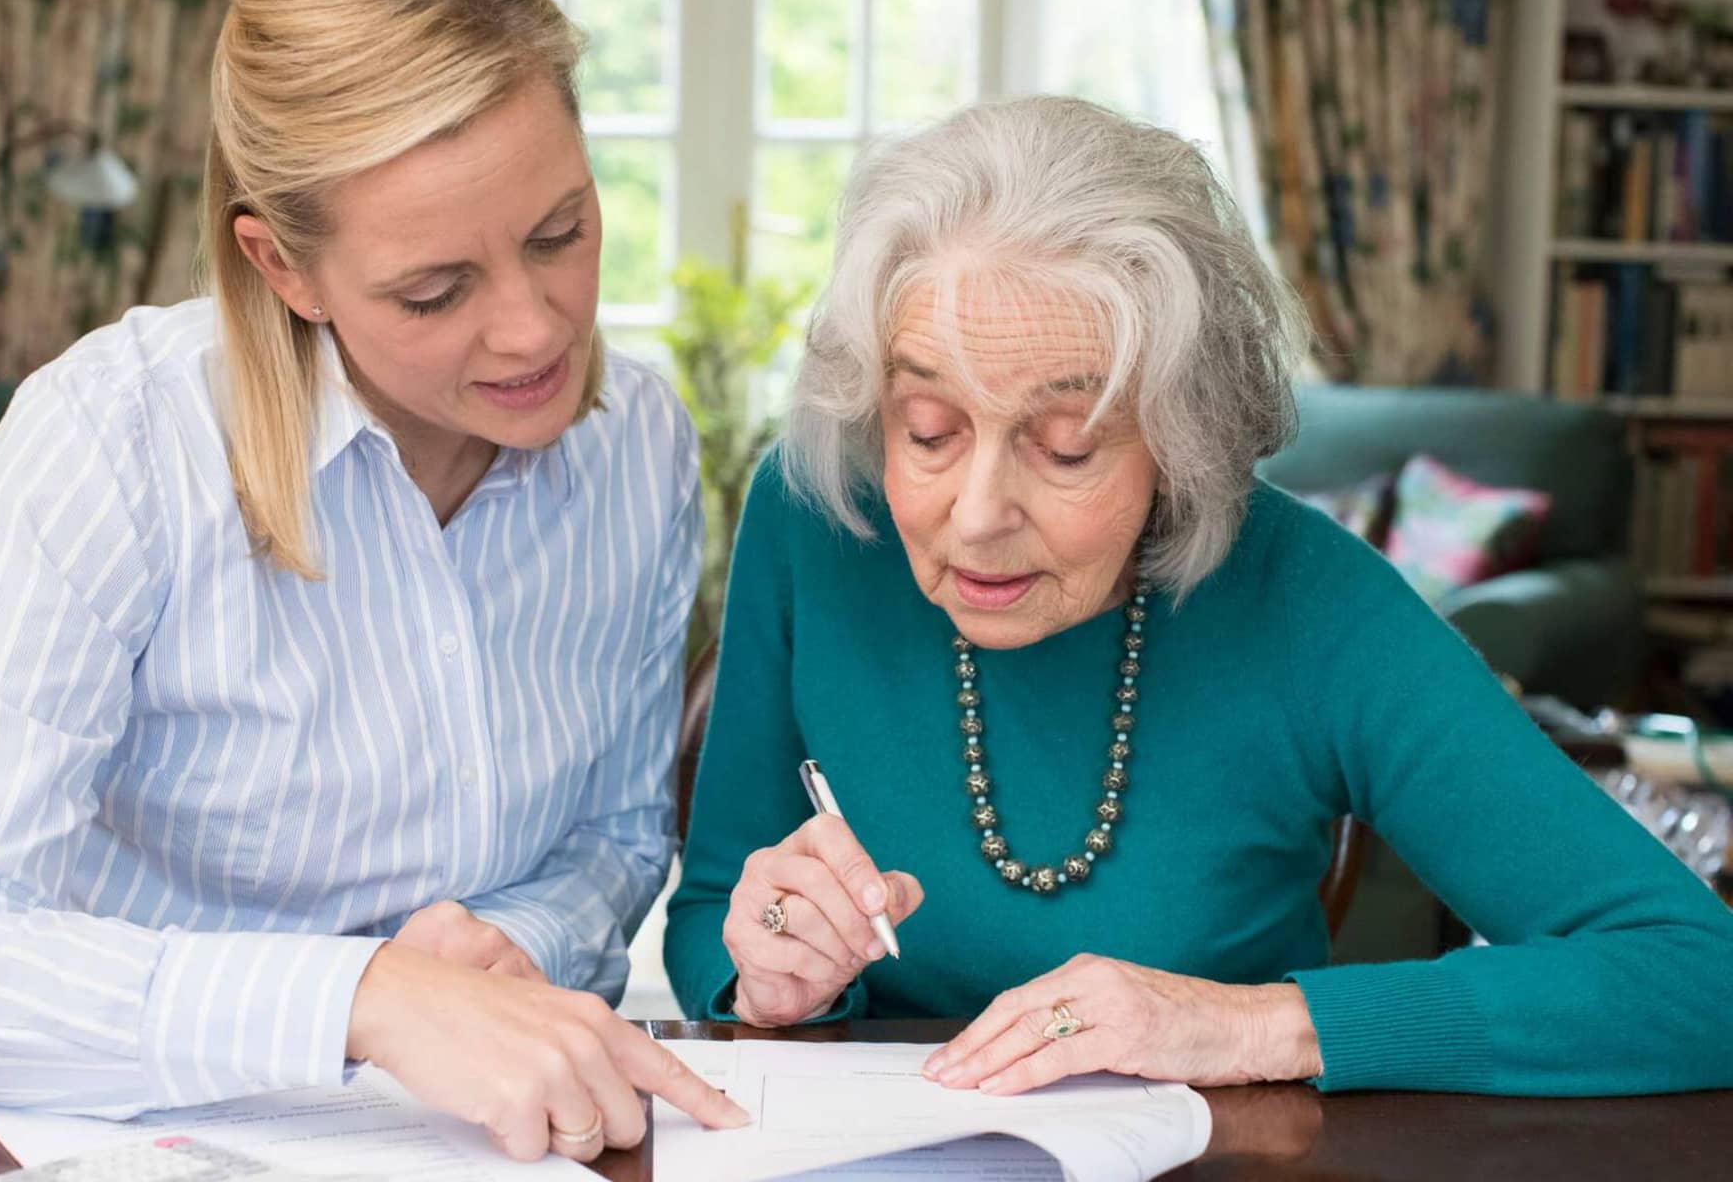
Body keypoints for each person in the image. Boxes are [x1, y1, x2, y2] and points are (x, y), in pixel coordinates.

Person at [0, 0, 746, 1161]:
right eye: (434, 290)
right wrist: (364, 997)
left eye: (561, 232)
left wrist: (510, 954)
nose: (536, 329)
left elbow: (612, 839)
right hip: (142, 1136)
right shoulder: (112, 443)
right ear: (283, 268)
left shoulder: (637, 444)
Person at [665, 94, 1733, 1097]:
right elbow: (714, 907)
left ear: (1183, 444)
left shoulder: (1306, 597)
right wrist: (768, 969)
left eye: (1067, 447)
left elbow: (1694, 977)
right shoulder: (816, 514)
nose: (976, 512)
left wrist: (1240, 1025)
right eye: (928, 430)